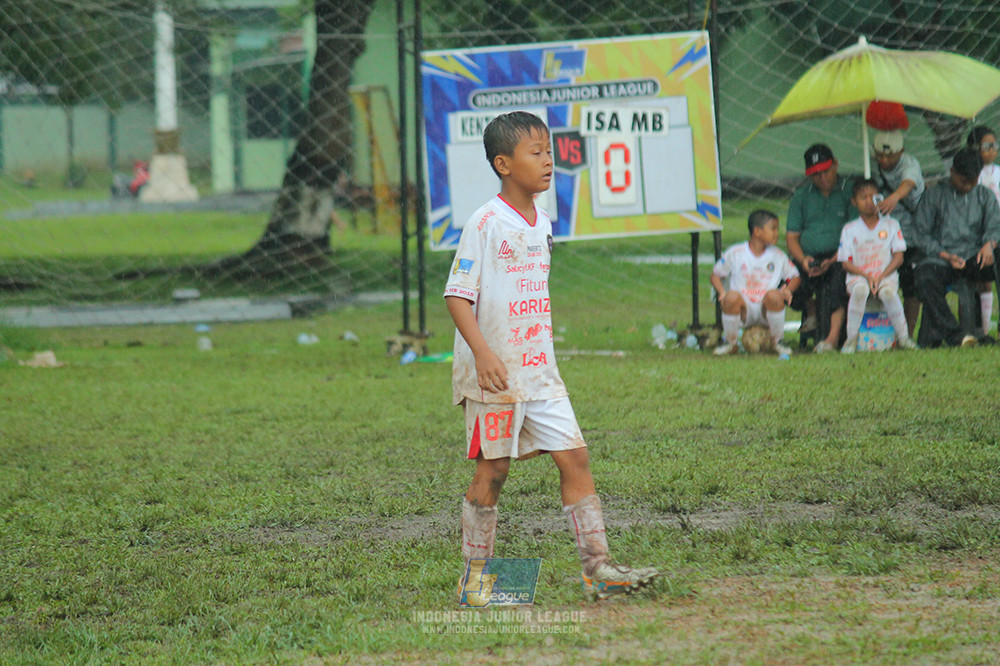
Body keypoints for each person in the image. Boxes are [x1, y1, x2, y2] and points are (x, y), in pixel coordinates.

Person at [443, 111, 658, 600]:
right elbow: (457, 296)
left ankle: (598, 569)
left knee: (575, 457)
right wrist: (483, 354)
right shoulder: (485, 222)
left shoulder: (543, 221)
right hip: (496, 376)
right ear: (503, 164)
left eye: (549, 151)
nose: (548, 161)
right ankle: (475, 581)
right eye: (535, 153)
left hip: (540, 371)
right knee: (493, 471)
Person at [913, 147, 1000, 348]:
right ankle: (955, 334)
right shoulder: (934, 195)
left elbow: (995, 227)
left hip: (974, 258)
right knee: (923, 278)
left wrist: (989, 245)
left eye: (972, 181)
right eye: (963, 181)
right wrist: (945, 255)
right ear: (952, 172)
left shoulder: (985, 196)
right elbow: (920, 235)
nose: (968, 186)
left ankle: (980, 331)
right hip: (941, 259)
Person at [786, 143, 854, 353]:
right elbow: (792, 237)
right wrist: (804, 260)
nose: (822, 178)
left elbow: (857, 234)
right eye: (816, 174)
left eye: (826, 171)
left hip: (841, 256)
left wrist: (833, 259)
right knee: (787, 281)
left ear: (835, 165)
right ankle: (810, 309)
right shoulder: (801, 196)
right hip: (809, 256)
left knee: (838, 280)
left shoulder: (851, 191)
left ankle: (832, 337)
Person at [837, 178, 918, 353]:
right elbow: (845, 263)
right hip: (859, 276)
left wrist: (880, 276)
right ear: (854, 202)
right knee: (860, 291)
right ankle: (851, 339)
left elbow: (898, 258)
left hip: (885, 275)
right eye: (863, 197)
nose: (869, 201)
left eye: (872, 197)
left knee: (888, 293)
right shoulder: (849, 229)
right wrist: (867, 277)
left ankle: (904, 337)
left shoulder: (891, 224)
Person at [710, 209, 801, 356]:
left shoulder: (778, 255)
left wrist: (788, 290)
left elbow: (795, 276)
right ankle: (731, 343)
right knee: (731, 297)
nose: (777, 233)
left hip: (766, 308)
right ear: (757, 231)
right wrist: (722, 293)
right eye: (773, 229)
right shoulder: (736, 253)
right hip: (743, 308)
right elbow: (715, 275)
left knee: (774, 295)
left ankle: (777, 342)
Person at [872, 130, 925, 337]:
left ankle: (908, 333)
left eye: (890, 156)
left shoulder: (910, 164)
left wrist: (894, 197)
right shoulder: (873, 167)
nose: (884, 160)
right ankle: (881, 333)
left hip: (912, 233)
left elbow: (909, 182)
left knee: (911, 284)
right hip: (884, 235)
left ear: (900, 151)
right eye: (880, 155)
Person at [969, 125, 1000, 336]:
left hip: (997, 232)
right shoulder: (972, 174)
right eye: (987, 146)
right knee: (983, 282)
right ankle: (983, 328)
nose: (992, 150)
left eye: (994, 145)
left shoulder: (998, 172)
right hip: (978, 235)